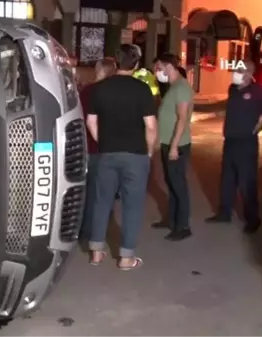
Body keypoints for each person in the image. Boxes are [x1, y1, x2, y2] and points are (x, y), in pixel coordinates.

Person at [86, 44, 157, 270]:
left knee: (101, 202)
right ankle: (126, 258)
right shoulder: (142, 89)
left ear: (116, 63)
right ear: (136, 64)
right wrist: (149, 151)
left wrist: (103, 141)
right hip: (135, 155)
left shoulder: (100, 89)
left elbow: (91, 121)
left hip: (107, 153)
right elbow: (150, 125)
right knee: (132, 206)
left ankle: (96, 252)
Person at [204, 60, 262, 233]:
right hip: (230, 141)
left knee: (247, 182)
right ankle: (224, 213)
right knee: (227, 180)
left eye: (240, 70)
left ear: (249, 73)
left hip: (246, 143)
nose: (236, 72)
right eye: (236, 69)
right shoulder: (233, 89)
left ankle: (253, 219)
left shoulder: (259, 91)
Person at [152, 53, 194, 241]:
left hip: (177, 145)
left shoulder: (182, 88)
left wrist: (174, 146)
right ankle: (171, 220)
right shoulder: (173, 86)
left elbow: (182, 118)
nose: (156, 71)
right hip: (168, 142)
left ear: (168, 66)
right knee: (171, 183)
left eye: (158, 67)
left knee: (179, 186)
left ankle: (183, 226)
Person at [79, 59, 116, 243]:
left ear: (99, 69)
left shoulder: (87, 91)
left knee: (89, 191)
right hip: (110, 147)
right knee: (106, 189)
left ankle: (86, 231)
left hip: (90, 147)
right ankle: (102, 228)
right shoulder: (113, 92)